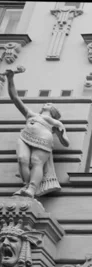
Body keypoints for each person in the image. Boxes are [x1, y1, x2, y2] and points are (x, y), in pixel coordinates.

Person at [2, 67, 70, 198]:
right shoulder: (31, 115)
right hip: (25, 136)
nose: (46, 103)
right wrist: (11, 79)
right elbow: (15, 97)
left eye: (49, 104)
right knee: (22, 159)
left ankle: (32, 188)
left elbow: (66, 143)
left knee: (36, 161)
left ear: (53, 111)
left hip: (43, 139)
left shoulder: (54, 122)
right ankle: (27, 185)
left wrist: (60, 134)